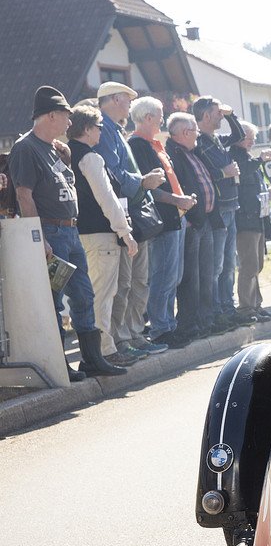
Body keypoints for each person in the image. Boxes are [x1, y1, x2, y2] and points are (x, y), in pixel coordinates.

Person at [7, 86, 124, 379]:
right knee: (55, 301)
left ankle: (92, 359)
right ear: (49, 116)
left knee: (84, 295)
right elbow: (24, 195)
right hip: (50, 232)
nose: (69, 123)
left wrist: (68, 159)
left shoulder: (54, 148)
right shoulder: (26, 148)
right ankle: (59, 364)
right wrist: (39, 237)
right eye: (65, 116)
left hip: (70, 232)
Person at [67, 104, 145, 367]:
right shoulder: (91, 158)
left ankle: (97, 351)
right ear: (87, 129)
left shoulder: (64, 155)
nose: (101, 132)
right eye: (99, 127)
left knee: (89, 294)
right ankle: (105, 351)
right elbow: (107, 198)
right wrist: (125, 232)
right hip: (100, 235)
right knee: (103, 294)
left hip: (76, 233)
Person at [96, 82, 166, 362]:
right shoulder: (103, 131)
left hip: (133, 213)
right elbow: (112, 174)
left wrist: (140, 183)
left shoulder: (115, 131)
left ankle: (134, 334)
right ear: (113, 100)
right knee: (124, 283)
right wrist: (142, 181)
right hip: (122, 215)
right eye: (126, 100)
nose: (129, 106)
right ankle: (122, 338)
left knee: (138, 280)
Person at [128, 97, 197, 349]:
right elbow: (150, 188)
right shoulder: (137, 145)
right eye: (158, 115)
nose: (161, 119)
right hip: (161, 220)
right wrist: (178, 199)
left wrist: (182, 204)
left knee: (173, 275)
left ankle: (168, 325)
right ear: (147, 118)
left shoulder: (154, 144)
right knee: (163, 276)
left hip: (175, 217)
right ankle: (161, 329)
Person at [193, 95, 250, 330]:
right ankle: (216, 312)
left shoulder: (215, 139)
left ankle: (228, 308)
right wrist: (223, 174)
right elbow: (200, 176)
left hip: (231, 206)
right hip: (218, 210)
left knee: (228, 264)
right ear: (206, 116)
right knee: (216, 266)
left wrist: (230, 115)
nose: (220, 116)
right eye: (217, 113)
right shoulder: (198, 143)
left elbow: (238, 136)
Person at [166, 112, 218, 342]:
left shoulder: (191, 152)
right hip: (191, 222)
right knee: (191, 278)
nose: (198, 134)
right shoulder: (172, 154)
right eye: (195, 130)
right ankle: (190, 323)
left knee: (206, 274)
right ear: (185, 132)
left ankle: (206, 320)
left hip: (203, 221)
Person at [230, 121, 271, 323]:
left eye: (253, 138)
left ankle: (256, 305)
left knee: (257, 264)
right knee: (249, 265)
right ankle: (246, 308)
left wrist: (267, 192)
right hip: (245, 220)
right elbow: (242, 173)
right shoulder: (235, 156)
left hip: (257, 218)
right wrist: (260, 159)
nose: (252, 141)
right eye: (248, 138)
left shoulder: (249, 158)